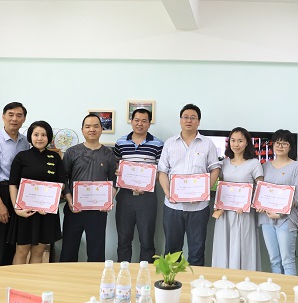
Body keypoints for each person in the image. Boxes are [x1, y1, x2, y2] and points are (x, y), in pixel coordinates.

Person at [157, 103, 221, 266]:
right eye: (185, 117)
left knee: (197, 251)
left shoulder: (207, 143)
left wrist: (204, 191)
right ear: (180, 120)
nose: (189, 120)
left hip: (198, 208)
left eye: (193, 118)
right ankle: (171, 281)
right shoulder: (170, 143)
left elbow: (215, 169)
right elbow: (162, 171)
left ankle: (196, 282)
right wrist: (168, 193)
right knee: (172, 252)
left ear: (198, 121)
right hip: (173, 207)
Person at [60, 114, 116, 262]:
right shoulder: (72, 152)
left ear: (101, 129)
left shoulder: (109, 154)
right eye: (88, 126)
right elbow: (63, 178)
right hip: (74, 209)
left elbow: (114, 180)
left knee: (96, 253)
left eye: (96, 126)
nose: (92, 129)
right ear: (82, 130)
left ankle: (95, 277)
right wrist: (69, 199)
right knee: (68, 250)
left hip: (98, 211)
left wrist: (109, 200)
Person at [8, 120, 66, 264]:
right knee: (22, 251)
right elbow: (13, 184)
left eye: (43, 135)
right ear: (30, 136)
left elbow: (62, 183)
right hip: (25, 212)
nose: (39, 138)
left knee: (39, 251)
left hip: (46, 212)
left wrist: (49, 201)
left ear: (48, 137)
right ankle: (17, 278)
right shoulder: (21, 156)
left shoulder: (55, 157)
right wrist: (17, 208)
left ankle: (33, 279)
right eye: (36, 135)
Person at [0, 102, 30, 267]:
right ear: (3, 117)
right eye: (10, 115)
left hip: (17, 193)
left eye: (19, 115)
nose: (14, 119)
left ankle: (7, 276)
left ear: (24, 119)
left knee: (12, 240)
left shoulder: (25, 141)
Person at [113, 108, 164, 263]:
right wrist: (118, 172)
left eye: (144, 121)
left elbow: (161, 172)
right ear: (131, 121)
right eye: (136, 120)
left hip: (147, 197)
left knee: (147, 239)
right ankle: (123, 273)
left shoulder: (158, 144)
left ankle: (146, 273)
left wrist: (147, 184)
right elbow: (115, 166)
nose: (139, 124)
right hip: (125, 196)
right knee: (123, 239)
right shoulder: (121, 142)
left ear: (149, 123)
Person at [211, 127, 263, 271]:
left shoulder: (254, 164)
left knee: (243, 247)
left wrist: (248, 204)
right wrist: (218, 206)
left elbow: (260, 189)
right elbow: (220, 186)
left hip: (243, 214)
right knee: (224, 246)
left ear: (247, 143)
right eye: (233, 140)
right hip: (224, 214)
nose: (236, 144)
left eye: (240, 141)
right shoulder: (224, 163)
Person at [258, 129, 298, 276]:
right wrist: (260, 205)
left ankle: (289, 290)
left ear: (290, 146)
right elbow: (261, 193)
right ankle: (276, 289)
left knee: (287, 260)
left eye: (285, 143)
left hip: (286, 219)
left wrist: (279, 214)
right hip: (266, 219)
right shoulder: (265, 166)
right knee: (274, 260)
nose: (280, 146)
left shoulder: (296, 167)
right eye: (277, 143)